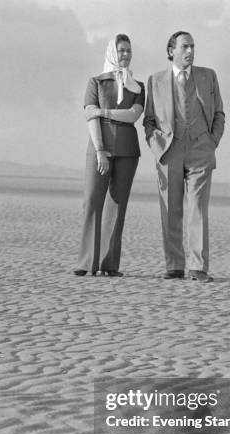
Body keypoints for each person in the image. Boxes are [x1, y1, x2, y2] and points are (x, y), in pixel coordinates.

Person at [143, 31, 225, 282]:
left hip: (201, 148)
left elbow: (220, 114)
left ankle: (197, 267)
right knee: (171, 209)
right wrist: (157, 147)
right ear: (171, 51)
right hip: (169, 150)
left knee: (197, 208)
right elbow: (148, 120)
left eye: (193, 46)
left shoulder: (208, 76)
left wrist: (211, 142)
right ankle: (175, 265)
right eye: (185, 47)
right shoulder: (155, 80)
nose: (190, 51)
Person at [74, 35, 145, 277]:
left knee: (117, 205)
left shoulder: (138, 86)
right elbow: (89, 116)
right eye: (121, 50)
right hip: (98, 148)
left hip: (128, 151)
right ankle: (87, 262)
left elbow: (134, 115)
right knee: (93, 201)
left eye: (129, 50)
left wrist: (103, 112)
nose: (125, 54)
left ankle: (109, 264)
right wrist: (101, 150)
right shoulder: (95, 82)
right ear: (113, 52)